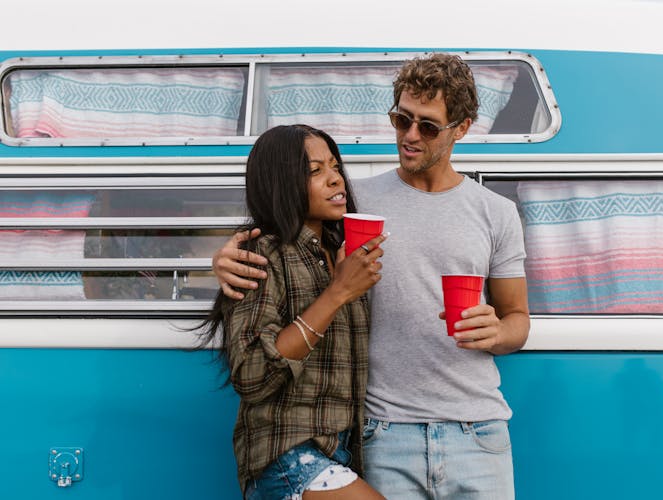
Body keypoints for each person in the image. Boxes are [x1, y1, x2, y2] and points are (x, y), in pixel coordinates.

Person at [213, 54, 530, 499]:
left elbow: (518, 320)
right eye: (402, 120)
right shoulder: (356, 203)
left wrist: (497, 332)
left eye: (428, 126)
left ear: (461, 128)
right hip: (383, 431)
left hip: (477, 429)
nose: (410, 135)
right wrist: (226, 256)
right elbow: (284, 227)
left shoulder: (496, 213)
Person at [198, 124, 387, 499]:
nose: (336, 180)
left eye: (335, 167)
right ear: (282, 183)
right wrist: (336, 295)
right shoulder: (262, 256)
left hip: (340, 452)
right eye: (315, 171)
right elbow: (252, 375)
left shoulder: (340, 252)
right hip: (288, 456)